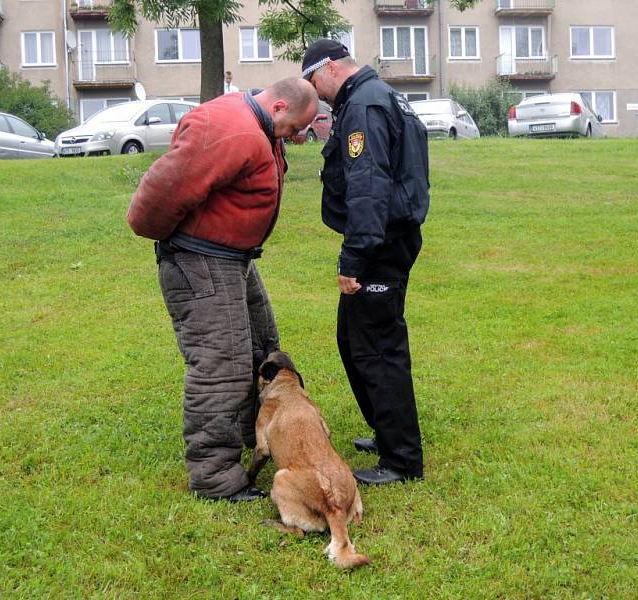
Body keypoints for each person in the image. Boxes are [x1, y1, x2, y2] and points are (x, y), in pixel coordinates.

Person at [127, 78, 319, 502]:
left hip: (234, 258)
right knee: (222, 366)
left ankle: (261, 438)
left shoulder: (259, 126)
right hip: (202, 259)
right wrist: (179, 244)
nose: (295, 137)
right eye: (294, 129)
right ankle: (215, 478)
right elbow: (160, 192)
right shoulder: (230, 129)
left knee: (262, 348)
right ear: (281, 106)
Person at [301, 39, 430, 486]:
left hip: (379, 243)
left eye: (313, 79)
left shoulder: (365, 107)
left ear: (331, 67)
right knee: (353, 338)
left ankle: (401, 459)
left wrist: (353, 258)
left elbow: (369, 187)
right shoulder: (381, 97)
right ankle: (387, 431)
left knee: (378, 348)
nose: (314, 91)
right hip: (387, 237)